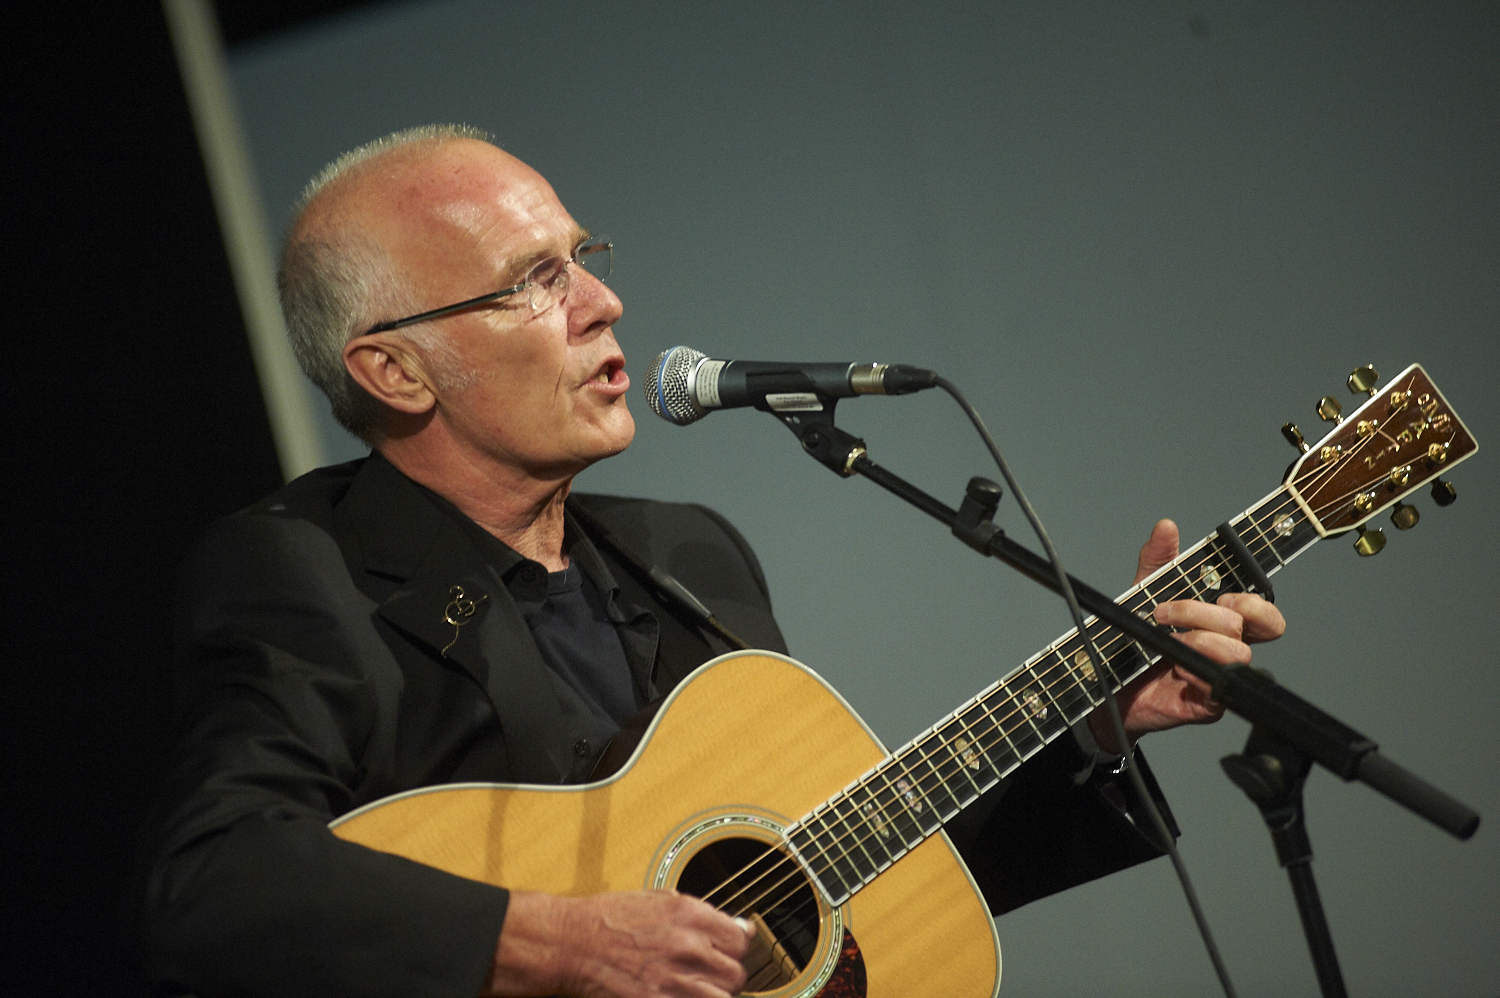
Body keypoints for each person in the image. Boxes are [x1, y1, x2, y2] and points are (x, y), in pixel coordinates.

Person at [132, 125, 1285, 998]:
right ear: (394, 372)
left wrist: (1093, 725)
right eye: (536, 279)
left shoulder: (686, 552)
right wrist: (550, 939)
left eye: (582, 255)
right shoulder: (302, 569)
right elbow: (212, 881)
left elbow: (851, 891)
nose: (603, 301)